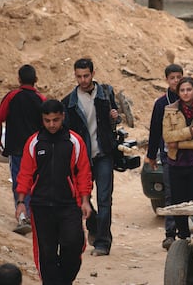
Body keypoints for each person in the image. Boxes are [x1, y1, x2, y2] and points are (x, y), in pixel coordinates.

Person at [15, 99, 92, 285]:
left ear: (63, 117)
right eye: (47, 120)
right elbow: (25, 173)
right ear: (42, 119)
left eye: (55, 120)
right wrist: (20, 203)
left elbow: (84, 172)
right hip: (41, 206)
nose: (51, 124)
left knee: (74, 244)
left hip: (69, 205)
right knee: (46, 253)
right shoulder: (34, 142)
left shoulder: (74, 141)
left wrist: (85, 200)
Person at [62, 58, 119, 256]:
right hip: (82, 159)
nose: (83, 80)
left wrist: (115, 116)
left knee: (105, 199)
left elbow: (116, 120)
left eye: (86, 75)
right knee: (81, 198)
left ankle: (103, 242)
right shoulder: (69, 103)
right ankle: (93, 223)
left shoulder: (106, 93)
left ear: (93, 74)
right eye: (79, 76)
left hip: (103, 154)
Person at [0, 64, 46, 235]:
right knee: (36, 181)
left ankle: (23, 216)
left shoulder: (12, 96)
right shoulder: (41, 99)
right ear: (35, 80)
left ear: (19, 79)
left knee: (19, 181)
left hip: (16, 150)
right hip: (36, 150)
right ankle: (36, 217)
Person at [163, 77, 193, 239]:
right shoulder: (170, 110)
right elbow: (167, 136)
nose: (186, 93)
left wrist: (179, 144)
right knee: (178, 202)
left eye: (189, 90)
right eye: (182, 90)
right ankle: (183, 236)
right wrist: (190, 133)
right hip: (176, 163)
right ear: (178, 92)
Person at [145, 64, 183, 251]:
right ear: (167, 80)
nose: (176, 81)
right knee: (170, 193)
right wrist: (151, 156)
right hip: (169, 156)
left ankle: (189, 232)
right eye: (172, 78)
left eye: (179, 77)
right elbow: (154, 131)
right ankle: (170, 234)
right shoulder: (161, 103)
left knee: (190, 193)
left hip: (189, 155)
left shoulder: (190, 98)